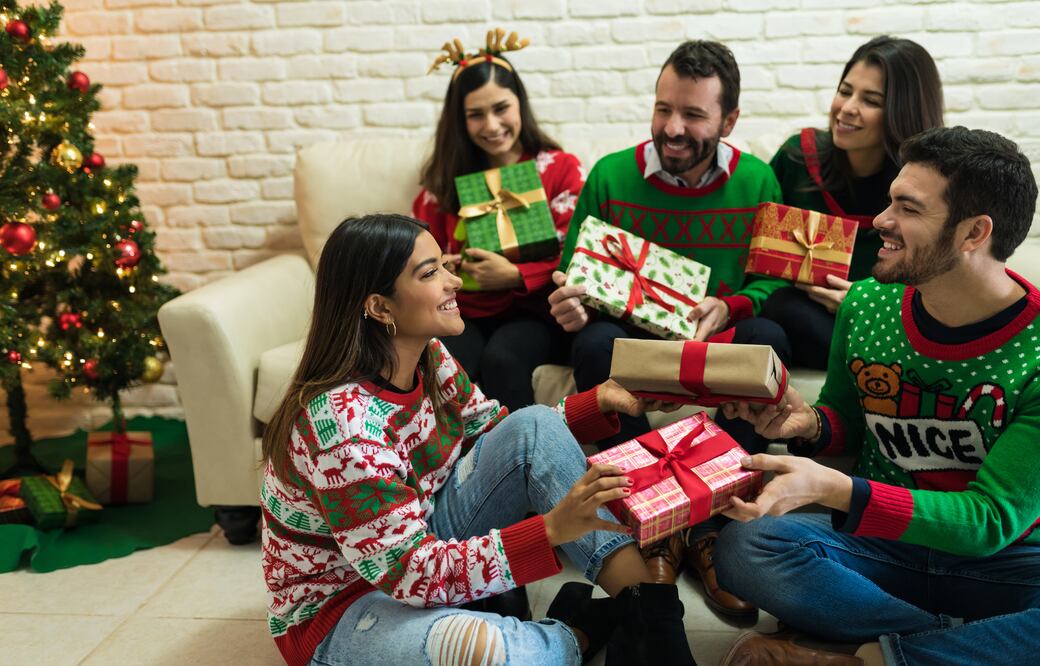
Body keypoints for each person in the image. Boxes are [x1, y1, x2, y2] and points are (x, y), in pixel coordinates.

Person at [712, 127, 1040, 666]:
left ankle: (858, 659)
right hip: (882, 547)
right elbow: (847, 417)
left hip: (1011, 560)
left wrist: (838, 490)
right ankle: (955, 649)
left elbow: (989, 521)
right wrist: (809, 426)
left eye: (907, 208)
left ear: (973, 233)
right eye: (890, 200)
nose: (879, 221)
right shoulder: (869, 305)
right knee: (746, 547)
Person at [260, 214, 697, 666]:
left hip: (422, 539)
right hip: (345, 606)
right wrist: (549, 531)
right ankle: (575, 629)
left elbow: (501, 432)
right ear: (380, 308)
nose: (455, 281)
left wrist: (601, 402)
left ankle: (651, 619)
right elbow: (410, 573)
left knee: (533, 426)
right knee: (492, 652)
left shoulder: (427, 353)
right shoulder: (346, 429)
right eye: (430, 273)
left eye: (444, 265)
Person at [547, 39, 792, 621]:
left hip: (715, 337)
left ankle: (707, 523)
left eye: (693, 114)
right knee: (592, 343)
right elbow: (574, 273)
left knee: (773, 339)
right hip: (631, 341)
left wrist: (730, 306)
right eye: (663, 109)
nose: (672, 128)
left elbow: (771, 282)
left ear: (729, 120)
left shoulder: (758, 183)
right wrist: (571, 305)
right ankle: (650, 519)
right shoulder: (610, 176)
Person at [414, 30, 585, 412]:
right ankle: (453, 465)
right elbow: (417, 256)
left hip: (535, 314)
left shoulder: (558, 169)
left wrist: (515, 275)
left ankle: (527, 458)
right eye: (476, 114)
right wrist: (441, 267)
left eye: (501, 108)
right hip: (463, 311)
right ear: (460, 121)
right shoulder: (443, 184)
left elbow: (579, 256)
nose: (491, 125)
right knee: (442, 361)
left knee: (503, 359)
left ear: (520, 104)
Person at [761, 36, 943, 370]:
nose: (846, 108)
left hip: (884, 332)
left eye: (870, 100)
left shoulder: (927, 188)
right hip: (793, 322)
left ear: (903, 112)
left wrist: (864, 303)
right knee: (774, 315)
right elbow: (756, 248)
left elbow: (939, 287)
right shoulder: (798, 158)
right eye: (845, 91)